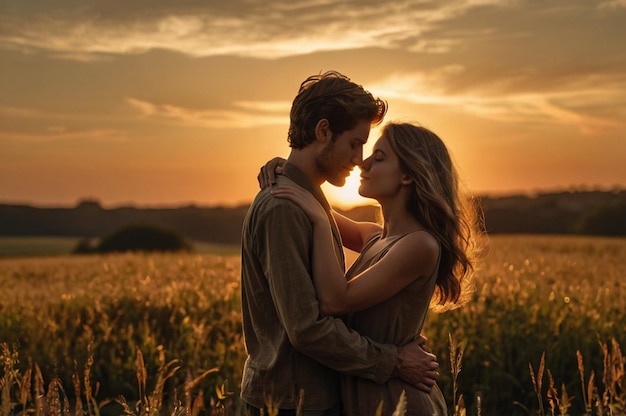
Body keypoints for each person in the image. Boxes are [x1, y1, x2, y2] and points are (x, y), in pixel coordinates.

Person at [240, 71, 440, 416]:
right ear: (323, 132)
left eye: (372, 151)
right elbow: (306, 328)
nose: (360, 158)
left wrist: (287, 171)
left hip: (315, 399)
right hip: (290, 403)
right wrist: (394, 361)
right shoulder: (285, 207)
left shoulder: (306, 202)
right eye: (355, 143)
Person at [267, 122, 481, 415]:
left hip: (398, 400)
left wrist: (318, 223)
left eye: (379, 157)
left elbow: (335, 300)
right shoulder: (375, 236)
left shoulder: (420, 245)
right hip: (368, 394)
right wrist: (291, 173)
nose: (362, 163)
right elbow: (315, 205)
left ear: (408, 175)